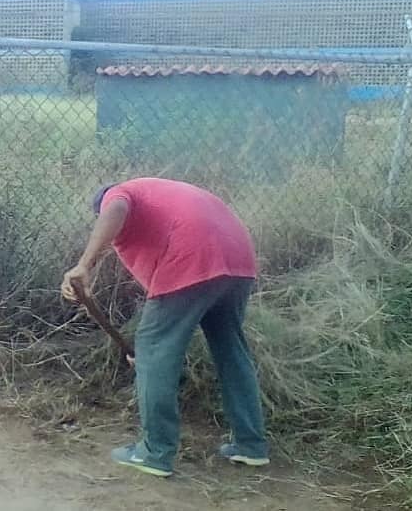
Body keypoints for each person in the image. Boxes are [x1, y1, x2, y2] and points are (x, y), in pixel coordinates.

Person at [61, 178, 268, 478]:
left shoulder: (120, 195)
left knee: (155, 350)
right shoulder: (161, 201)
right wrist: (149, 356)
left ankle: (154, 452)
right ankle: (251, 446)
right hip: (238, 259)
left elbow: (116, 207)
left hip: (194, 255)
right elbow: (173, 313)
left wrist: (84, 264)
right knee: (231, 352)